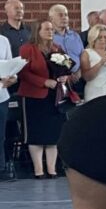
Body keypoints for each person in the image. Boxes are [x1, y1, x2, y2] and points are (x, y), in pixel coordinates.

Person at [18, 20, 72, 179]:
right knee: (37, 134)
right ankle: (39, 170)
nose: (50, 32)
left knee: (53, 134)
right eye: (47, 29)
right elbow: (23, 73)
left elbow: (66, 67)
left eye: (52, 29)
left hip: (54, 96)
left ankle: (52, 169)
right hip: (34, 95)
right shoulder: (27, 49)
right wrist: (44, 82)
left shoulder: (57, 48)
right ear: (38, 31)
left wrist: (64, 77)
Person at [0, 33, 15, 181]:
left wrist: (12, 78)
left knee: (1, 135)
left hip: (2, 95)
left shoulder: (3, 40)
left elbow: (11, 66)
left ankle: (1, 168)